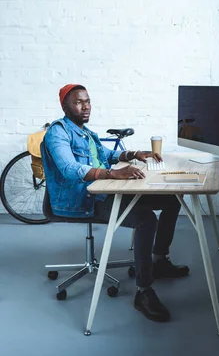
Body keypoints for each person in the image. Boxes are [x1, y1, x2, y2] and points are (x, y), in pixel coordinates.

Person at [42, 83, 189, 323]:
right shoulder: (58, 132)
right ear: (64, 106)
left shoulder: (85, 132)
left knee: (171, 200)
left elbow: (106, 154)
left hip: (102, 191)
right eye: (78, 102)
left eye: (87, 101)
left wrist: (133, 154)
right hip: (81, 200)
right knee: (145, 219)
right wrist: (112, 174)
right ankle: (143, 292)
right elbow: (70, 169)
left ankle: (159, 261)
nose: (85, 106)